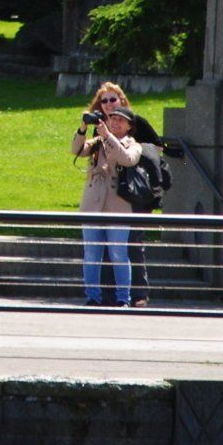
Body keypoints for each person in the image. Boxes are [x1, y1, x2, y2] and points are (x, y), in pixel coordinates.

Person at [85, 82, 160, 306]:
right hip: (106, 194)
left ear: (122, 101)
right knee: (103, 250)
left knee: (131, 245)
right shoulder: (99, 128)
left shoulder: (136, 123)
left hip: (135, 191)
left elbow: (155, 150)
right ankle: (105, 295)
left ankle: (137, 295)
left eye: (113, 100)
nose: (108, 105)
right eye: (104, 101)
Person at [71, 103, 142, 306]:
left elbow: (127, 159)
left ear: (129, 126)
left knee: (118, 253)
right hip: (92, 204)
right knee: (92, 253)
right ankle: (92, 296)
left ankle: (123, 298)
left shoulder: (132, 144)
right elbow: (76, 149)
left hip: (118, 206)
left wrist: (109, 137)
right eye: (113, 119)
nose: (115, 122)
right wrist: (83, 128)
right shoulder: (98, 141)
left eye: (120, 120)